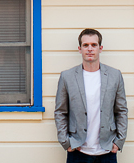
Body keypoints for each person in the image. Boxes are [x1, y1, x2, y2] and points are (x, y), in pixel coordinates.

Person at [55, 28, 128, 162]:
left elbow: (121, 110)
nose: (90, 49)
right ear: (79, 48)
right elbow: (60, 112)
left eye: (94, 45)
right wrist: (66, 142)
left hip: (107, 150)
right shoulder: (67, 77)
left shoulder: (115, 75)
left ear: (100, 48)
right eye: (85, 45)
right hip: (78, 150)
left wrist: (119, 141)